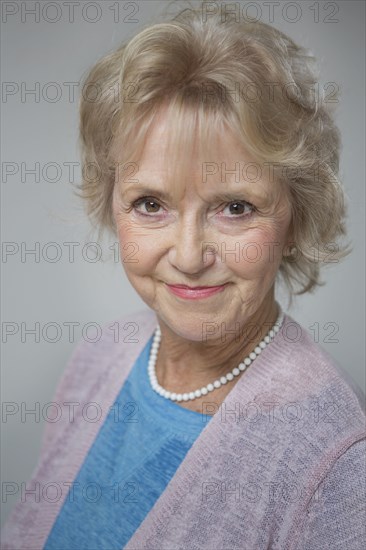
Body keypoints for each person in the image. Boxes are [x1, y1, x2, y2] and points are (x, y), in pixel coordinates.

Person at [1, 1, 365, 549]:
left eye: (236, 207)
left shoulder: (334, 455)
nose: (190, 255)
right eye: (151, 204)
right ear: (112, 205)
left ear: (296, 217)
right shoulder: (98, 358)